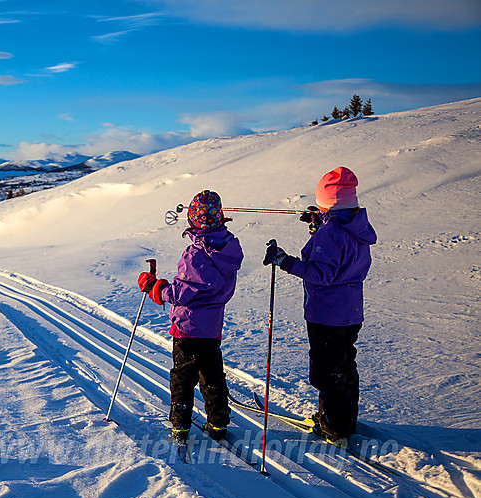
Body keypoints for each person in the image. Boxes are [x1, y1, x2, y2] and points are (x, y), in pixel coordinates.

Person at [263, 166, 377, 444]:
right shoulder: (355, 226)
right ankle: (344, 419)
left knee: (329, 371)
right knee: (344, 365)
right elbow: (338, 252)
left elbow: (322, 273)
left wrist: (284, 261)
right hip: (350, 311)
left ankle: (334, 427)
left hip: (327, 314)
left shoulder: (331, 234)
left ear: (328, 202)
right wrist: (320, 223)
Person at [138, 190, 243, 443]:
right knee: (212, 374)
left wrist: (155, 287)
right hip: (212, 327)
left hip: (188, 328)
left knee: (183, 377)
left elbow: (181, 293)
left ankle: (181, 424)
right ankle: (218, 421)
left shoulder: (196, 254)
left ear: (193, 221)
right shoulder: (228, 248)